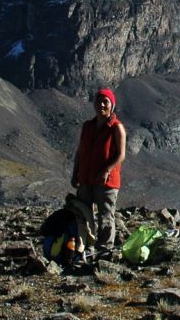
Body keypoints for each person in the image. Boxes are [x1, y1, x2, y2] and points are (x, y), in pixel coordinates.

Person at [71, 87, 126, 258]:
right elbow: (80, 151)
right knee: (83, 214)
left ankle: (104, 250)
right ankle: (86, 247)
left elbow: (121, 154)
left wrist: (106, 170)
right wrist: (75, 173)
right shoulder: (87, 126)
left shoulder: (116, 128)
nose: (102, 105)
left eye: (106, 102)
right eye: (99, 101)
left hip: (107, 182)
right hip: (86, 178)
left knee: (105, 217)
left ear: (112, 105)